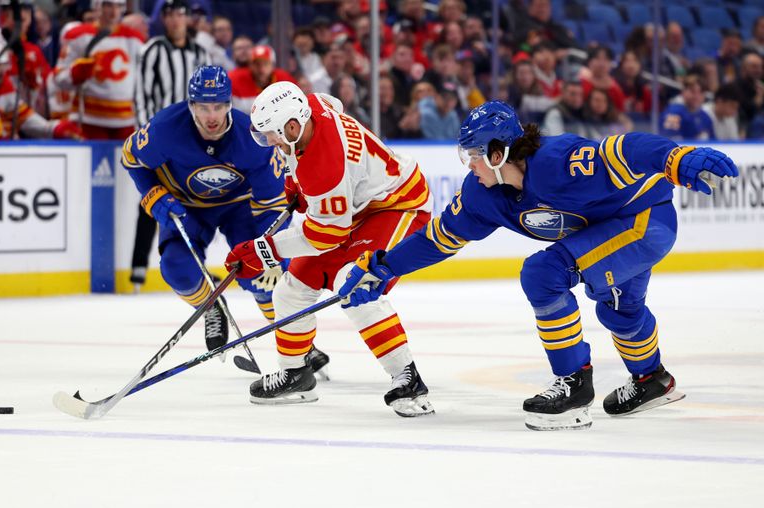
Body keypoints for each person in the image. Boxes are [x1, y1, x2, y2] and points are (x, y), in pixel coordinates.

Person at [339, 100, 738, 430]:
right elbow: (438, 239)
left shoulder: (558, 162)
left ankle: (573, 386)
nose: (470, 165)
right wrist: (384, 267)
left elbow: (624, 149)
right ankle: (653, 380)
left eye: (474, 155)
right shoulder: (483, 195)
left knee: (544, 273)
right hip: (609, 229)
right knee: (620, 310)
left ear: (498, 153)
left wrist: (675, 158)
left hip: (644, 220)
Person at [224, 81, 434, 417]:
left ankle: (408, 381)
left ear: (293, 125)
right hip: (354, 207)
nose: (271, 142)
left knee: (354, 284)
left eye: (273, 134)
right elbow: (331, 102)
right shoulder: (310, 106)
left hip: (397, 205)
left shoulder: (324, 165)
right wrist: (297, 183)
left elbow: (325, 235)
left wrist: (264, 251)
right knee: (290, 290)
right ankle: (296, 374)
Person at [120, 66, 326, 372]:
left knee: (261, 276)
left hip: (238, 209)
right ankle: (211, 306)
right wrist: (152, 195)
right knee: (176, 268)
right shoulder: (165, 129)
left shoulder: (253, 137)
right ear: (191, 106)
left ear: (229, 104)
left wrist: (267, 250)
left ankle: (299, 344)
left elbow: (273, 205)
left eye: (218, 106)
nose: (211, 115)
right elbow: (131, 159)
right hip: (187, 207)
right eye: (203, 107)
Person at [130, 0, 209, 291]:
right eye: (170, 14)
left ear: (188, 18)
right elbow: (141, 96)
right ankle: (138, 268)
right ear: (163, 18)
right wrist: (146, 139)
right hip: (160, 141)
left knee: (196, 201)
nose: (175, 20)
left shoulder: (201, 53)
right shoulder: (152, 50)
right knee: (151, 198)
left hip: (193, 143)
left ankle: (194, 267)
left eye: (180, 14)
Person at [54, 0, 144, 140]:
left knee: (128, 161)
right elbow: (59, 78)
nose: (114, 12)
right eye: (108, 5)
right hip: (89, 119)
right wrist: (75, 73)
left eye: (118, 6)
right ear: (97, 6)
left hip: (126, 121)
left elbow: (143, 82)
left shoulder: (135, 39)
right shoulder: (78, 35)